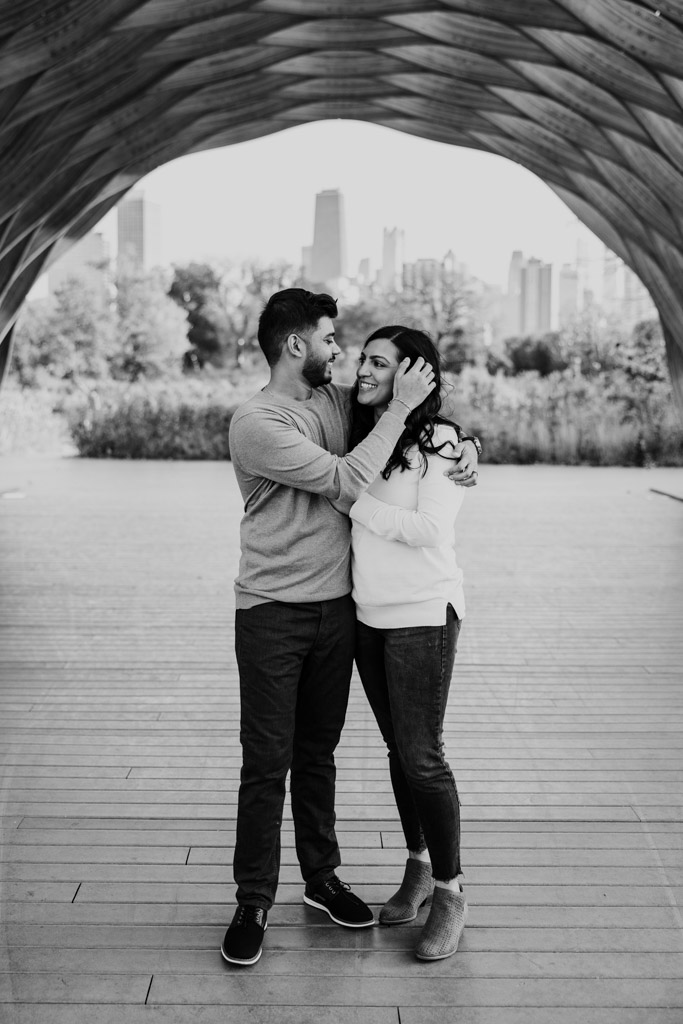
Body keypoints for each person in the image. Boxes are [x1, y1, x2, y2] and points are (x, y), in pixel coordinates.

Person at [222, 289, 479, 967]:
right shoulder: (256, 422)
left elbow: (415, 434)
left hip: (343, 610)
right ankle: (253, 899)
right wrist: (402, 411)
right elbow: (345, 480)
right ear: (296, 345)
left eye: (353, 349)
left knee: (319, 754)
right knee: (265, 763)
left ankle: (322, 878)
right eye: (332, 341)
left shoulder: (337, 403)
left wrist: (460, 443)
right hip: (273, 611)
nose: (343, 355)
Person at [349, 325, 471, 962]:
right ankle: (419, 869)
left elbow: (428, 528)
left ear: (413, 374)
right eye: (362, 359)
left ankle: (451, 892)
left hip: (423, 613)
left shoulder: (443, 442)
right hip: (368, 616)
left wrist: (356, 506)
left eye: (378, 362)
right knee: (400, 750)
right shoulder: (364, 430)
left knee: (423, 756)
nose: (362, 369)